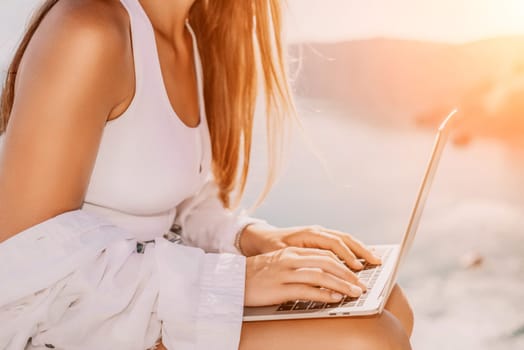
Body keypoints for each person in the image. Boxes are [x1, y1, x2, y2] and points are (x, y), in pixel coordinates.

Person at [0, 0, 414, 349]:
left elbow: (181, 202)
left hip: (136, 301)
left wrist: (250, 239)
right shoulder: (89, 28)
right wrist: (231, 281)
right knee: (367, 338)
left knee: (389, 304)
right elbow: (24, 260)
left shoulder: (187, 40)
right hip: (66, 328)